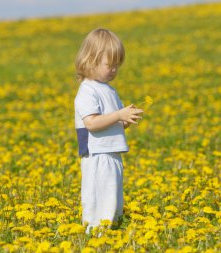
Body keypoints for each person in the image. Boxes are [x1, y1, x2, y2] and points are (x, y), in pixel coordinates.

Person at [74, 28, 144, 234]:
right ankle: (94, 232)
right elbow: (92, 123)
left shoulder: (109, 90)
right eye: (109, 65)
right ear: (91, 61)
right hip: (97, 153)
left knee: (113, 195)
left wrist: (126, 119)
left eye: (117, 66)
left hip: (111, 152)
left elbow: (113, 123)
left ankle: (111, 230)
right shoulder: (87, 90)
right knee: (98, 196)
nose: (114, 70)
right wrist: (119, 115)